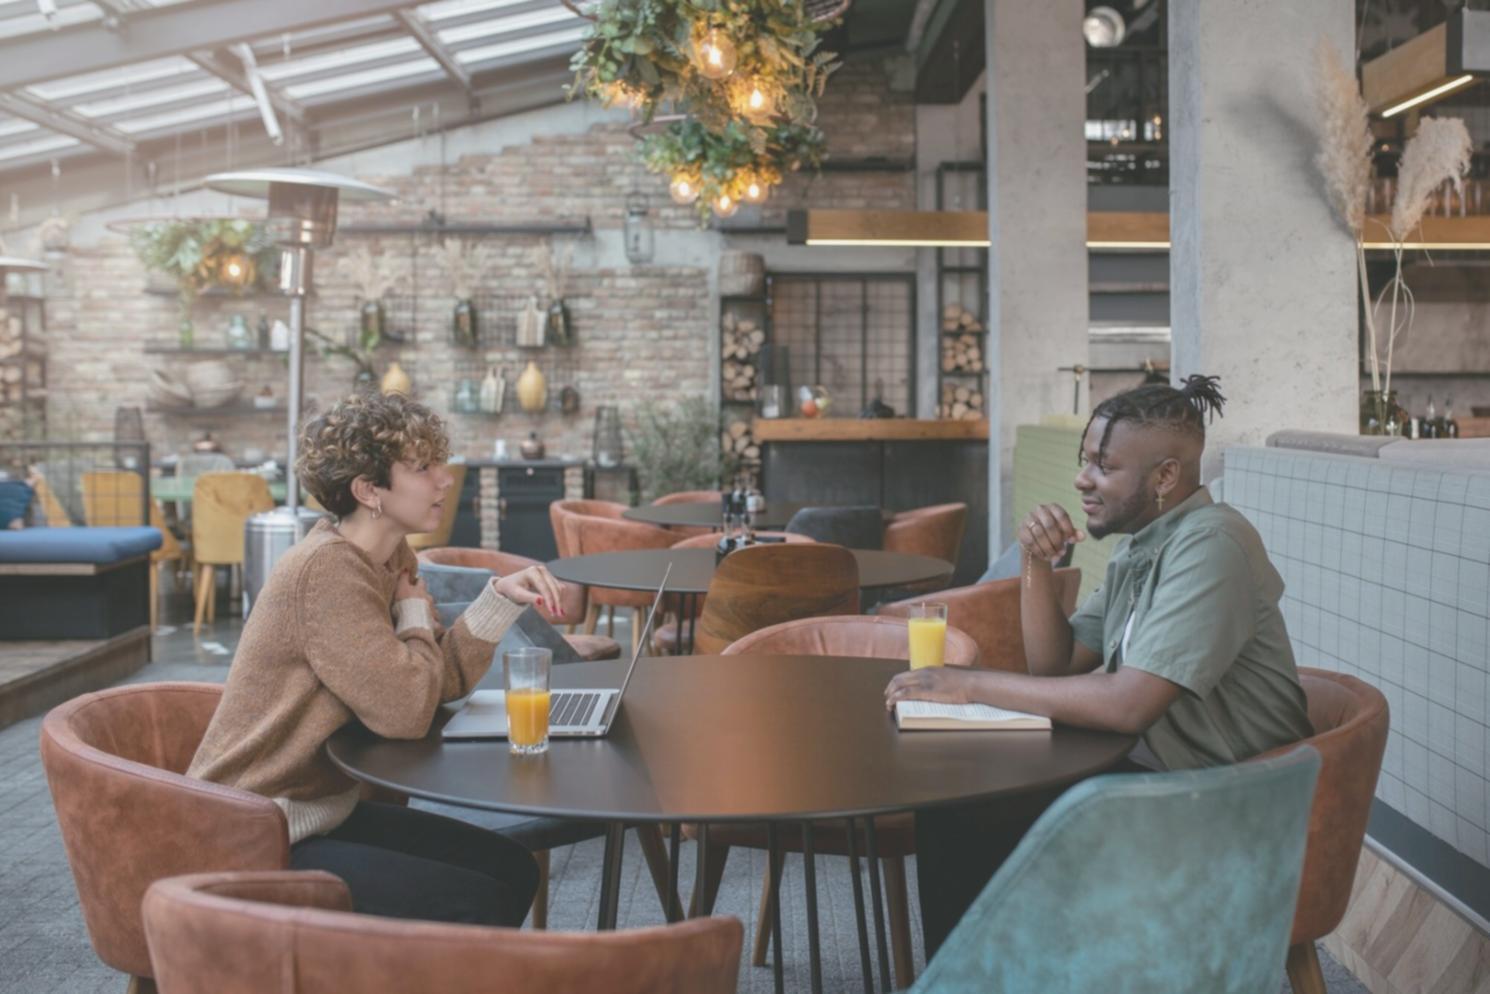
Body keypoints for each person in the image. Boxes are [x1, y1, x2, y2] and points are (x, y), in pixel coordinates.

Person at [887, 374, 1313, 953]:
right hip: (1162, 778)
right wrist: (1037, 563)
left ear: (1165, 476)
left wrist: (969, 685)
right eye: (1084, 460)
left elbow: (1128, 704)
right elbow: (1055, 667)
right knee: (968, 800)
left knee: (969, 815)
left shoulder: (1212, 546)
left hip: (1224, 803)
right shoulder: (1142, 545)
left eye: (1104, 467)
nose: (1081, 480)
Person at [189, 392, 564, 926]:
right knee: (473, 898)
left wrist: (499, 597)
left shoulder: (388, 557)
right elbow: (408, 712)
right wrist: (413, 616)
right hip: (257, 831)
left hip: (321, 813)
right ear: (369, 491)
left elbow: (434, 679)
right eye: (422, 467)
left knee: (510, 868)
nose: (444, 478)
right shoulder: (328, 572)